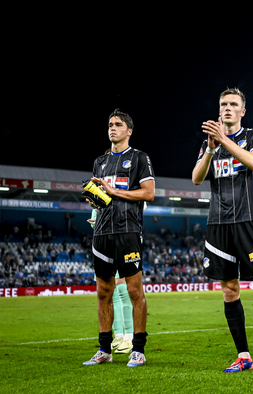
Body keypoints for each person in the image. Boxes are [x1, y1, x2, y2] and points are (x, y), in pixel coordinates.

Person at [191, 88, 253, 377]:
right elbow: (197, 178)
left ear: (242, 111)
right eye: (223, 104)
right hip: (218, 226)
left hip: (249, 223)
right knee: (229, 290)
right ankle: (243, 356)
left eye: (233, 104)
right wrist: (212, 147)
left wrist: (224, 140)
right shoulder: (209, 144)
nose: (227, 108)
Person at [83, 109, 155, 366]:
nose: (112, 128)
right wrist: (95, 198)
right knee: (103, 292)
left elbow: (148, 193)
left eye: (118, 125)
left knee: (135, 291)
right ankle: (104, 350)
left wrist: (113, 191)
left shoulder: (139, 158)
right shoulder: (99, 163)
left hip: (128, 232)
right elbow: (102, 198)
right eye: (110, 124)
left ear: (129, 131)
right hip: (101, 232)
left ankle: (138, 349)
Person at [88, 208, 134, 354]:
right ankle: (118, 335)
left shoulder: (121, 190)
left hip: (121, 242)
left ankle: (129, 337)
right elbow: (94, 222)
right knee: (109, 294)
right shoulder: (98, 194)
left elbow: (139, 207)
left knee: (122, 290)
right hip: (102, 244)